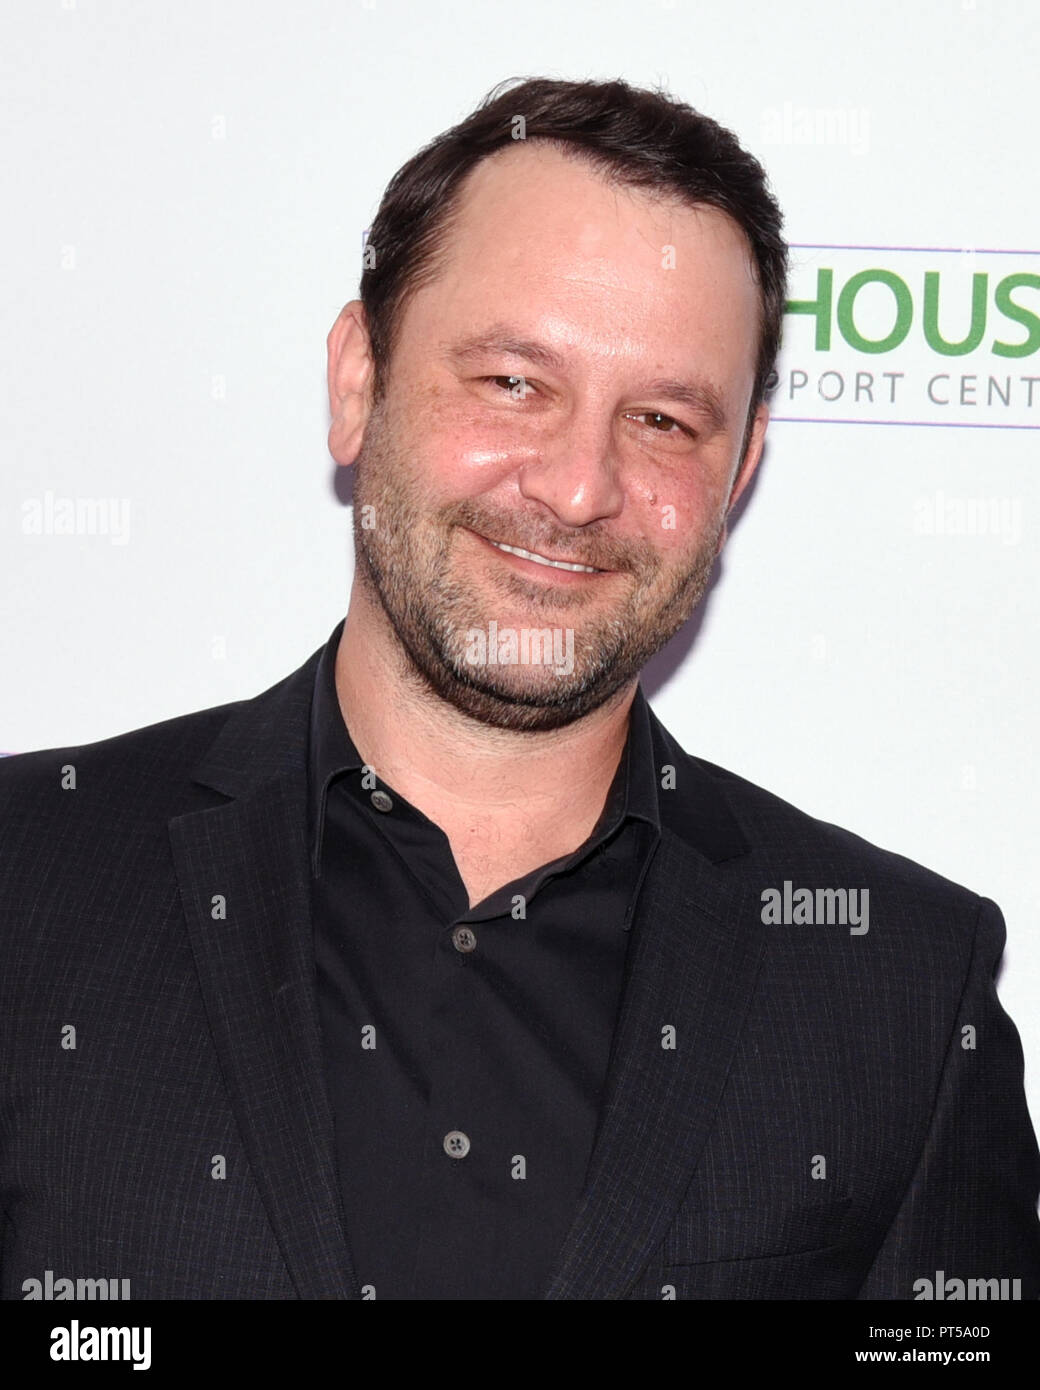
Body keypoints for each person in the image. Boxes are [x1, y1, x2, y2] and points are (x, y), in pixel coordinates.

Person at [2, 75, 1038, 1302]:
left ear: (741, 468)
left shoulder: (899, 989)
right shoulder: (29, 875)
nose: (578, 486)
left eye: (663, 420)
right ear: (358, 382)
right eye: (512, 383)